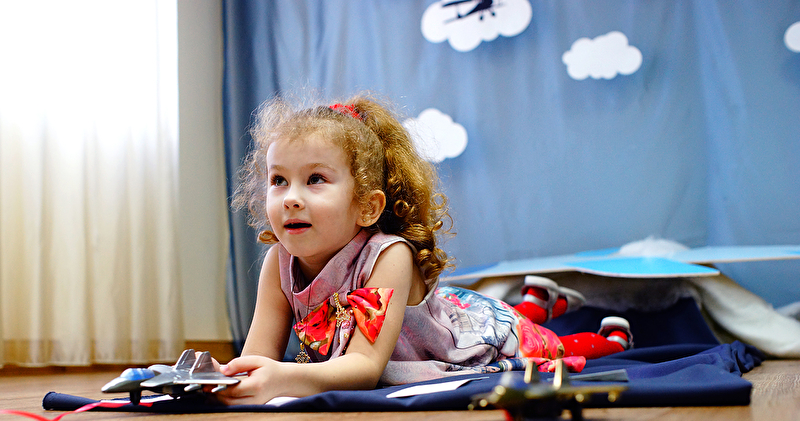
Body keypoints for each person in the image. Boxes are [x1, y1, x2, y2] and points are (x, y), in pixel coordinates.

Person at [216, 93, 632, 405]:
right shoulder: (279, 261)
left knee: (544, 348)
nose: (291, 198)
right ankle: (534, 303)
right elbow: (257, 356)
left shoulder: (388, 255)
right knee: (524, 323)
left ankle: (608, 340)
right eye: (279, 180)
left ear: (367, 207)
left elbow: (364, 368)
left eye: (316, 179)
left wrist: (282, 378)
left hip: (468, 336)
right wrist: (227, 377)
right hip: (445, 313)